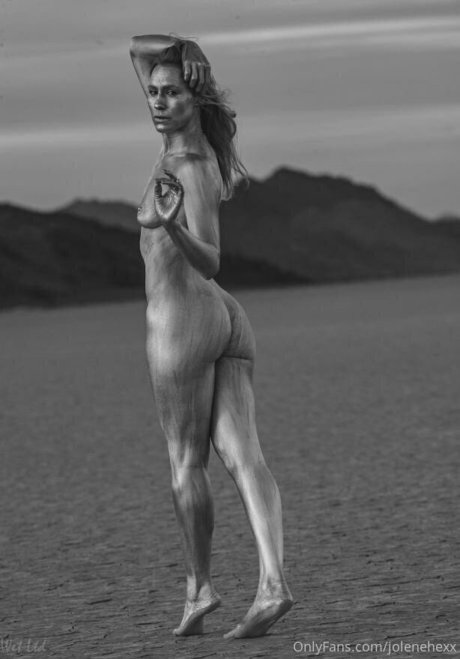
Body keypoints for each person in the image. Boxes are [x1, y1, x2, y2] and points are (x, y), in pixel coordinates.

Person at [129, 34, 293, 639]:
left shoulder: (191, 167)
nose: (158, 101)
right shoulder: (174, 144)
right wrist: (188, 46)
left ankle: (199, 589)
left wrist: (171, 227)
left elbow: (212, 259)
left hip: (183, 317)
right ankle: (272, 585)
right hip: (224, 317)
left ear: (195, 100)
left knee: (185, 462)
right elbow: (136, 48)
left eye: (172, 93)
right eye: (154, 92)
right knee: (244, 455)